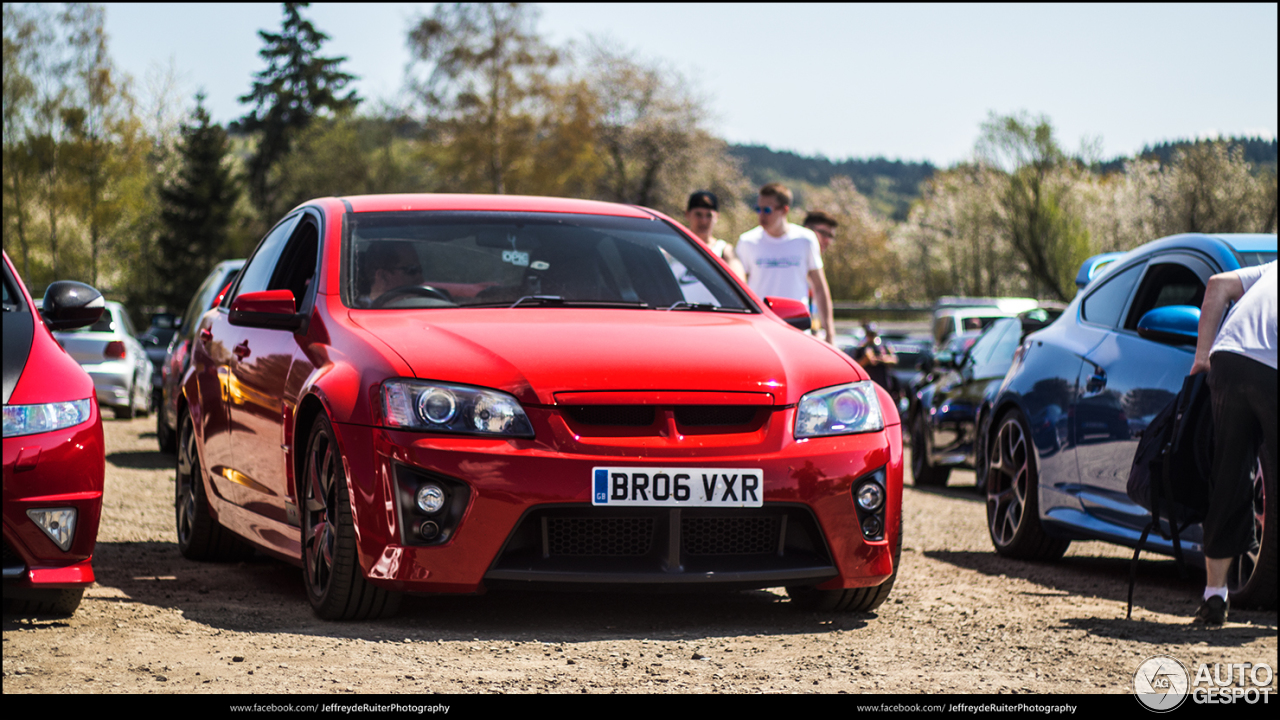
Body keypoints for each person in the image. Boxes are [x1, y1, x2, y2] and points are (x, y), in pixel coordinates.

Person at [1188, 260, 1276, 625]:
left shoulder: (1271, 270)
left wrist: (1201, 360)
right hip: (1273, 363)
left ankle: (1214, 596)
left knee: (1229, 478)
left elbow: (1216, 286)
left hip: (1228, 357)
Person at [737, 183, 836, 344]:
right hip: (760, 330)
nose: (761, 215)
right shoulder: (747, 241)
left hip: (798, 329)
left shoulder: (806, 239)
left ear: (784, 210)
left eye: (767, 210)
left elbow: (819, 287)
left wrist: (830, 333)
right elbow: (740, 288)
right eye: (758, 209)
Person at [684, 191, 745, 278]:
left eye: (709, 215)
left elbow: (740, 283)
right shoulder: (671, 248)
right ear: (687, 214)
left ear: (716, 216)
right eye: (698, 214)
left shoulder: (724, 251)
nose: (703, 221)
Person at [357, 240, 423, 307]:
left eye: (420, 270)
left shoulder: (426, 304)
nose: (421, 280)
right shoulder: (358, 311)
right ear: (383, 276)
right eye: (412, 270)